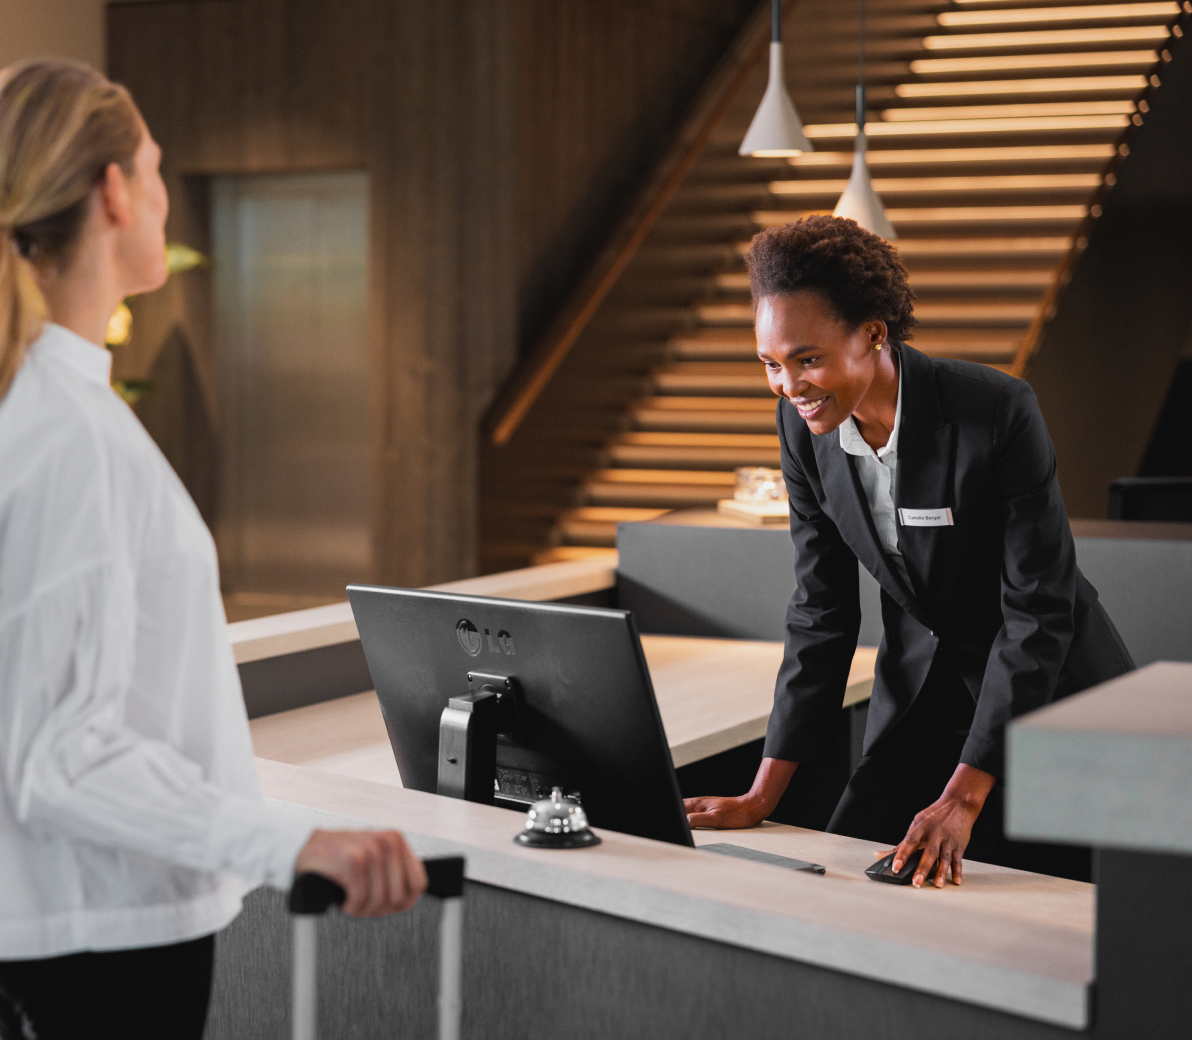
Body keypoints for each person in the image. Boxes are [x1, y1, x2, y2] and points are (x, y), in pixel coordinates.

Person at [0, 60, 425, 1039]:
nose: (161, 193)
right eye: (153, 168)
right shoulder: (69, 434)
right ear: (113, 190)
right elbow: (63, 753)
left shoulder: (43, 410)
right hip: (98, 939)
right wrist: (291, 839)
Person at [684, 216, 1134, 887]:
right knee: (845, 877)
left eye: (808, 359)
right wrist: (761, 795)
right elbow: (820, 611)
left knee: (1051, 905)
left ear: (873, 333)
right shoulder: (801, 428)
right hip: (922, 695)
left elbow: (1038, 609)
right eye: (771, 364)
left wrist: (964, 795)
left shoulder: (994, 411)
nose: (788, 385)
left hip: (1049, 692)